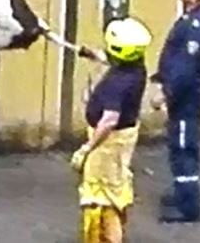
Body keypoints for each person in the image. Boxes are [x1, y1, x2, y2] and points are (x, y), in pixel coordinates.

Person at [71, 17, 153, 243]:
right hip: (124, 139)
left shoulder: (118, 83)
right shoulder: (136, 67)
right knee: (117, 188)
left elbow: (108, 120)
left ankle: (105, 239)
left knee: (101, 197)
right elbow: (114, 58)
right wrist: (92, 54)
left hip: (108, 143)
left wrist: (87, 149)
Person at [151, 0, 200, 223]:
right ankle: (181, 192)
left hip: (187, 97)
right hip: (183, 93)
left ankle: (188, 206)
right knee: (178, 143)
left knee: (183, 146)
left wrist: (166, 93)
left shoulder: (197, 26)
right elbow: (173, 56)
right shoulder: (189, 19)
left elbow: (185, 67)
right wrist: (160, 77)